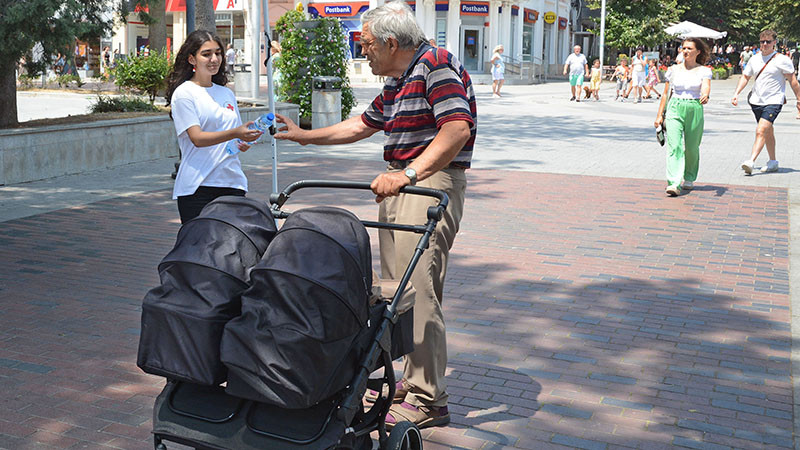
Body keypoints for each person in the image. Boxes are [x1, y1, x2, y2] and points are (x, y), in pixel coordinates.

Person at [273, 0, 475, 430]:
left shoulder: (435, 64)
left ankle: (428, 399)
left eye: (365, 44)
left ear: (389, 41)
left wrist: (408, 173)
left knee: (418, 293)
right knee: (396, 293)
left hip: (426, 185)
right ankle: (414, 378)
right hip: (404, 185)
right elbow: (361, 125)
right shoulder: (400, 78)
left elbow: (457, 128)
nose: (361, 50)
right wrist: (304, 137)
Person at [164, 30, 262, 223]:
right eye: (206, 54)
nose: (214, 59)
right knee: (200, 250)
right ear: (192, 59)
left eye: (218, 53)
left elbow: (232, 136)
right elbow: (197, 138)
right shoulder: (184, 94)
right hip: (198, 187)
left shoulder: (226, 93)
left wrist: (242, 141)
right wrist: (235, 132)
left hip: (233, 183)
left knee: (232, 249)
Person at [732, 30, 800, 174]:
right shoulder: (755, 59)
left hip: (774, 101)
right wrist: (736, 93)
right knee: (767, 131)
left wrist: (799, 99)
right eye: (762, 42)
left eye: (768, 42)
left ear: (774, 42)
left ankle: (751, 161)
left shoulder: (782, 60)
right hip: (756, 101)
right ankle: (773, 161)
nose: (764, 44)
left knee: (761, 130)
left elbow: (793, 81)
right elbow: (745, 77)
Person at [653, 38, 711, 197]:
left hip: (694, 107)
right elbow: (665, 94)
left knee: (692, 147)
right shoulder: (673, 70)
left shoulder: (704, 71)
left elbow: (706, 86)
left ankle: (690, 177)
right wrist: (659, 116)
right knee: (675, 146)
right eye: (683, 48)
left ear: (697, 52)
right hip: (675, 107)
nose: (685, 51)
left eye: (689, 48)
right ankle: (674, 182)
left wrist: (705, 95)